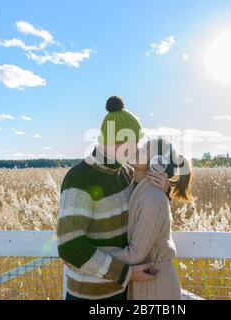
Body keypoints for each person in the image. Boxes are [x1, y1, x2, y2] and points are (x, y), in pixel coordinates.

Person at [56, 96, 169, 300]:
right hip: (87, 295)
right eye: (134, 143)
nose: (137, 150)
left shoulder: (125, 173)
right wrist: (127, 274)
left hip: (122, 292)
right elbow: (70, 246)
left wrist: (164, 190)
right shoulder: (79, 178)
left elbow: (144, 211)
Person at [107, 138, 193, 300]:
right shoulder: (135, 185)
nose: (137, 149)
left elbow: (135, 255)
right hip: (146, 282)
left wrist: (88, 257)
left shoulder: (152, 197)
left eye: (145, 150)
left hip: (155, 287)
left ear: (157, 164)